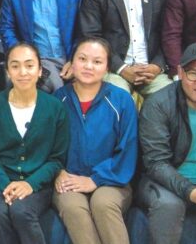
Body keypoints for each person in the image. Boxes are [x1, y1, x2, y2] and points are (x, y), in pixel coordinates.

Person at [53, 37, 138, 244]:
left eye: (97, 61)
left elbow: (128, 150)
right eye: (82, 59)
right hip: (69, 177)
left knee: (103, 203)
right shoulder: (57, 99)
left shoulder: (121, 100)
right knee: (73, 207)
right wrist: (58, 171)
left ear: (107, 67)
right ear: (71, 63)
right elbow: (47, 147)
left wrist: (95, 180)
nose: (89, 66)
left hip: (113, 180)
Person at [0, 42, 69, 244]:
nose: (23, 72)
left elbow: (57, 159)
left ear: (39, 70)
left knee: (21, 211)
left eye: (29, 65)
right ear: (7, 71)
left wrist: (30, 184)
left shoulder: (55, 107)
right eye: (15, 66)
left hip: (38, 179)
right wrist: (7, 185)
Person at [137, 42, 196, 244]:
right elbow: (157, 164)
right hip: (163, 183)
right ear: (181, 73)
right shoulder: (159, 104)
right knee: (169, 205)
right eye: (194, 74)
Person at [79, 0, 171, 105]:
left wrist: (157, 66)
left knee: (170, 97)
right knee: (116, 98)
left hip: (151, 70)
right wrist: (122, 68)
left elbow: (169, 35)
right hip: (114, 70)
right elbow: (92, 38)